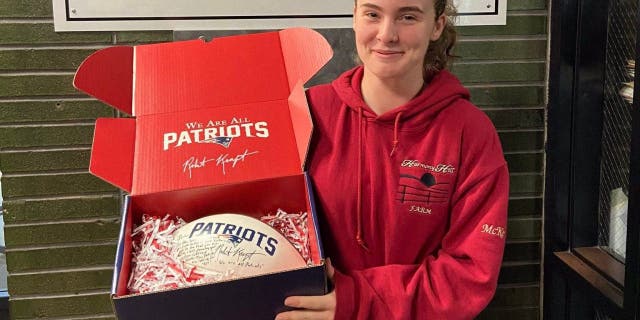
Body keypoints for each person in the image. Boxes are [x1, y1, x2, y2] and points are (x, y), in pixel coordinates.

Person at [276, 0, 509, 319]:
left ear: (437, 25)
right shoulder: (306, 115)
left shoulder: (470, 133)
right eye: (373, 14)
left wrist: (357, 301)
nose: (387, 34)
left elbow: (470, 275)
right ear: (355, 18)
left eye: (408, 17)